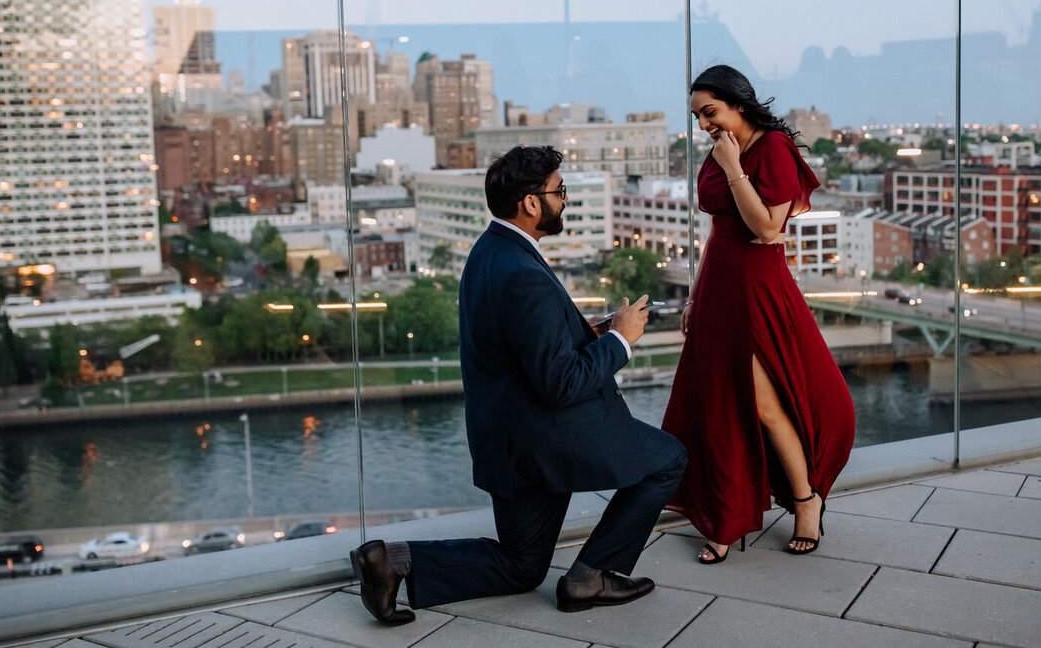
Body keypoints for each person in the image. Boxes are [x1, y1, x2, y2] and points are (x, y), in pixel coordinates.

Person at [350, 145, 687, 625]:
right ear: (531, 203)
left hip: (507, 442)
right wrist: (619, 340)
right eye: (559, 190)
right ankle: (590, 577)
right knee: (668, 460)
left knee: (522, 565)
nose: (564, 200)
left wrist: (581, 333)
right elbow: (561, 383)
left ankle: (392, 560)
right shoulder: (523, 273)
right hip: (546, 440)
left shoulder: (490, 252)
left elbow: (522, 347)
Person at [661, 65, 855, 563]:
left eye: (710, 112)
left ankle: (806, 502)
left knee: (765, 406)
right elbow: (719, 231)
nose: (703, 124)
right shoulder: (722, 148)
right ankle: (725, 518)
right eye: (697, 116)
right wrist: (695, 295)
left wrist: (732, 168)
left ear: (738, 104)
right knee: (719, 405)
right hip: (718, 286)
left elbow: (767, 229)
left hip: (758, 288)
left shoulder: (771, 149)